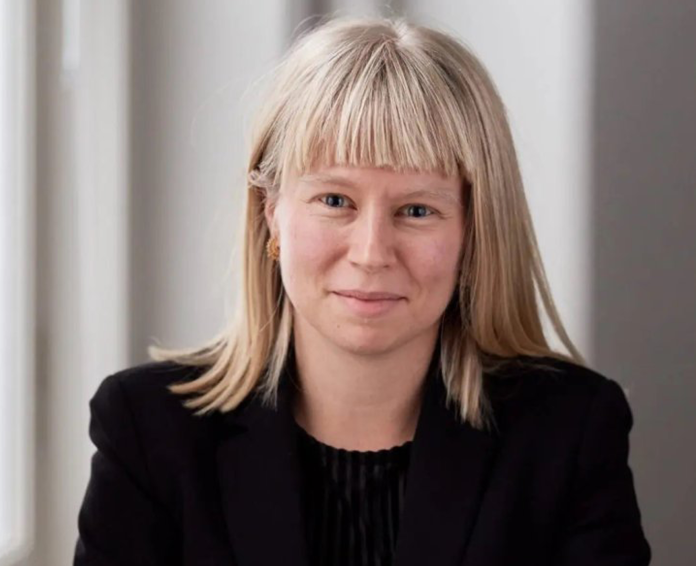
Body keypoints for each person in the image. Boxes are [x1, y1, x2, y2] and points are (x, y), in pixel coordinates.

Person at [73, 15, 652, 566]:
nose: (372, 252)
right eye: (335, 201)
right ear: (271, 212)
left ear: (474, 231)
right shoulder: (147, 430)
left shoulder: (569, 433)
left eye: (417, 210)